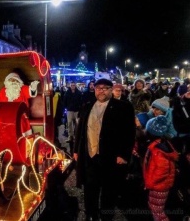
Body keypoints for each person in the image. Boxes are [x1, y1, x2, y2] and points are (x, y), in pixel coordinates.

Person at [73, 78, 136, 221]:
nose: (101, 91)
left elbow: (129, 133)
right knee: (90, 188)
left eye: (105, 88)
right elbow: (80, 131)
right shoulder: (87, 106)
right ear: (94, 90)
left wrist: (124, 155)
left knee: (109, 189)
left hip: (110, 156)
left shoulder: (123, 107)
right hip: (90, 155)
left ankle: (106, 215)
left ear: (111, 90)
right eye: (98, 88)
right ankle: (91, 214)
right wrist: (76, 150)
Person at [143, 114, 179, 221]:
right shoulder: (161, 145)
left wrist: (150, 183)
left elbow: (161, 171)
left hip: (158, 186)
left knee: (157, 210)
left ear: (152, 132)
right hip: (160, 185)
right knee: (155, 208)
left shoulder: (158, 150)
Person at [0, 72, 39, 137]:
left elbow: (31, 93)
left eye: (15, 80)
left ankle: (21, 139)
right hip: (6, 115)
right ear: (8, 82)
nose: (13, 82)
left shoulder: (22, 89)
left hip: (20, 115)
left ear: (19, 82)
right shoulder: (3, 91)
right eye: (11, 80)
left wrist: (33, 88)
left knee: (20, 122)